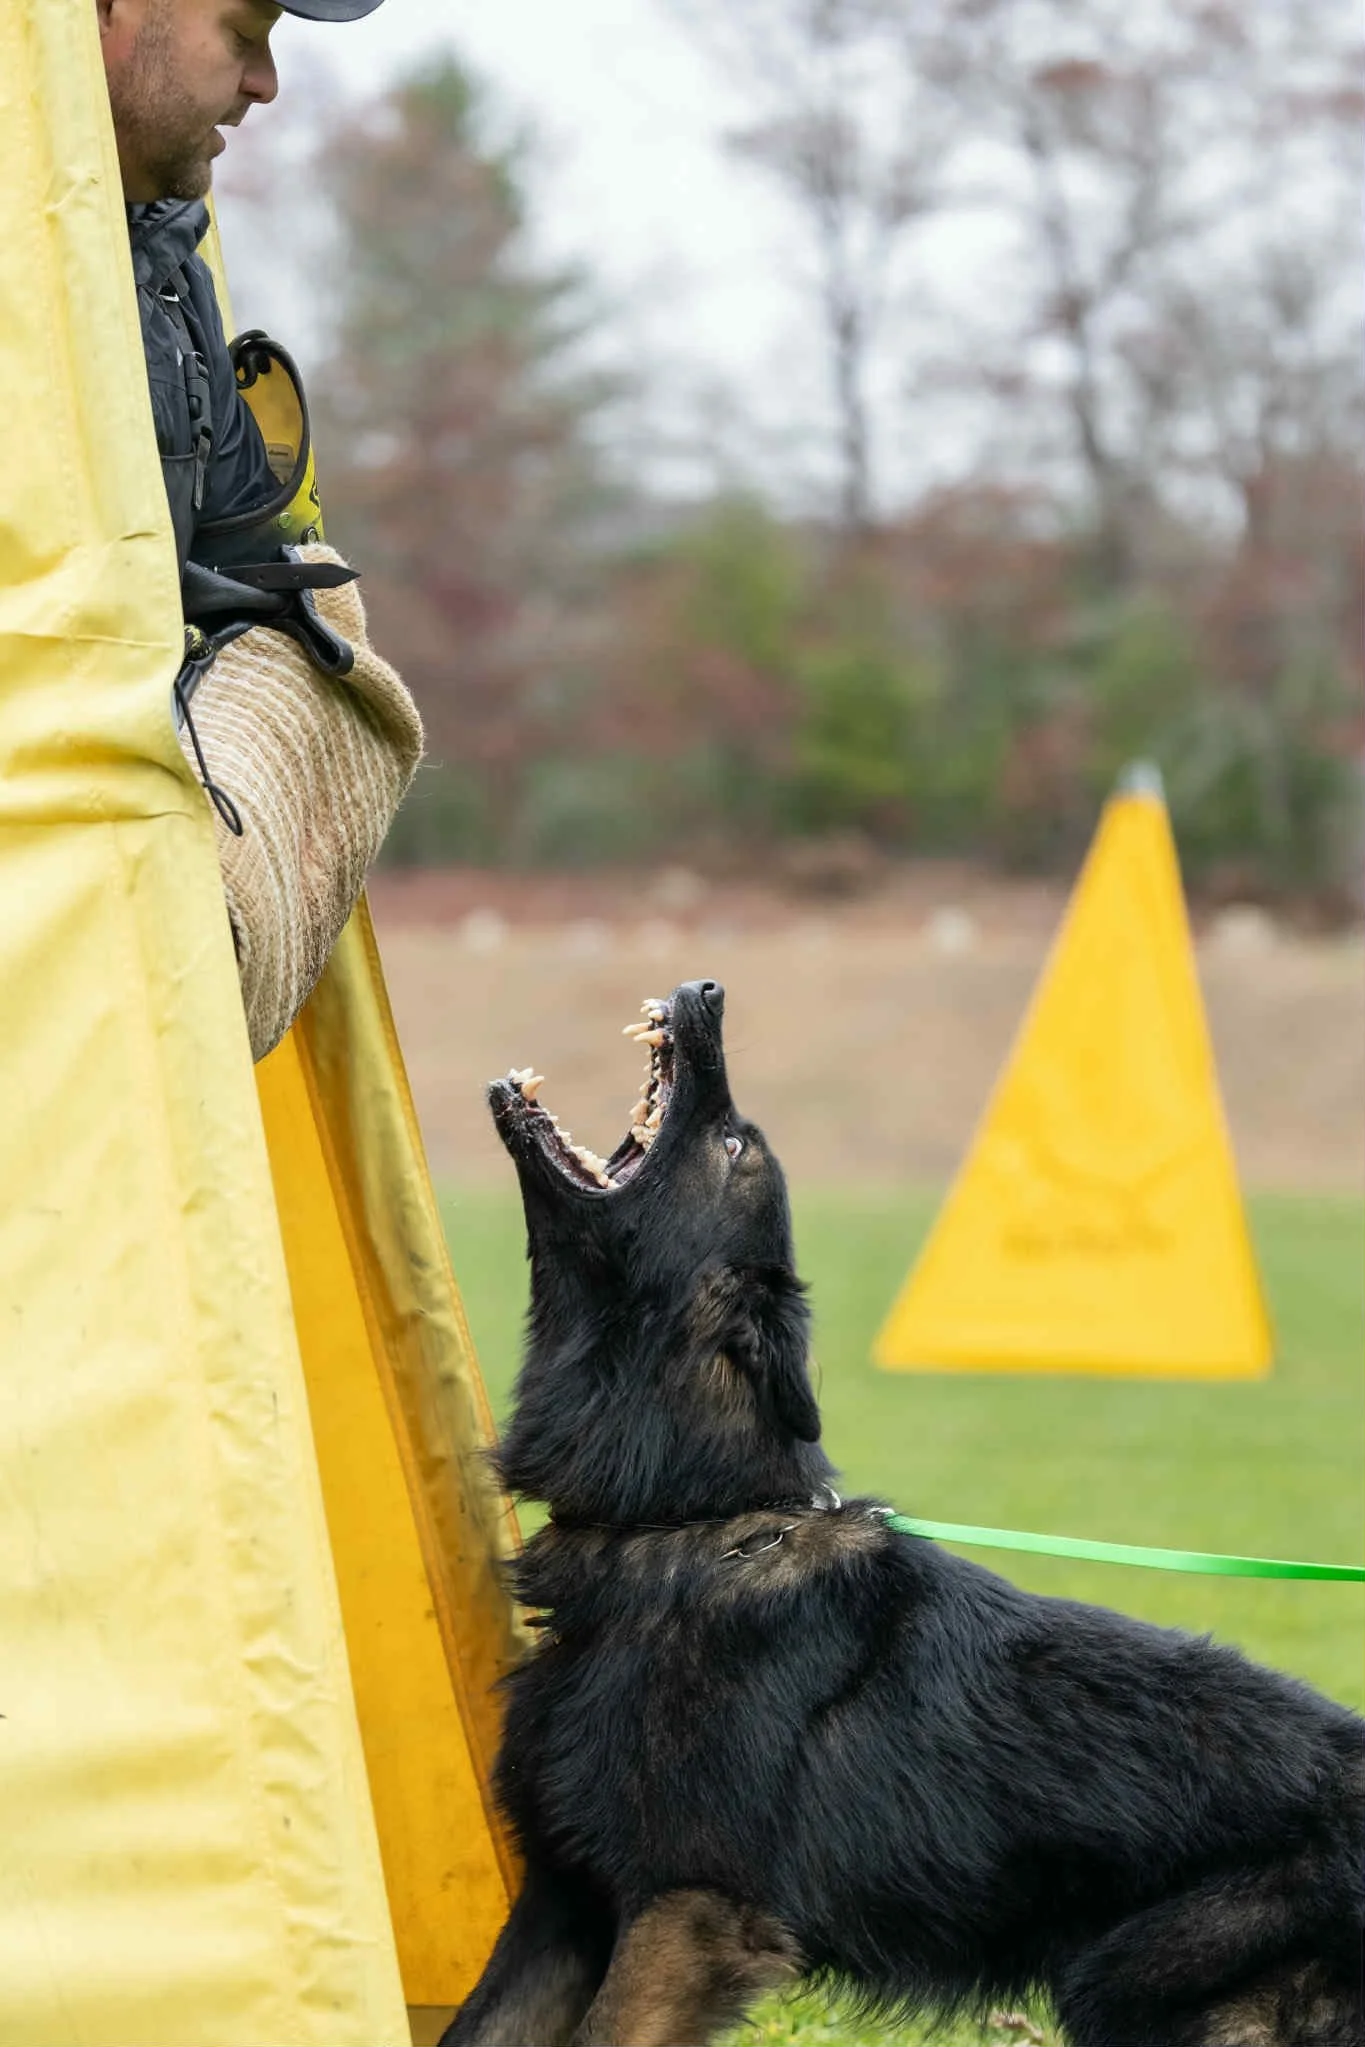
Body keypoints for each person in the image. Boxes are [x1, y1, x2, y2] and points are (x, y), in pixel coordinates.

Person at [97, 0, 384, 582]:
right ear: (106, 10)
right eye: (243, 34)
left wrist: (268, 664)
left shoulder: (169, 275)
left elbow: (251, 577)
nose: (266, 83)